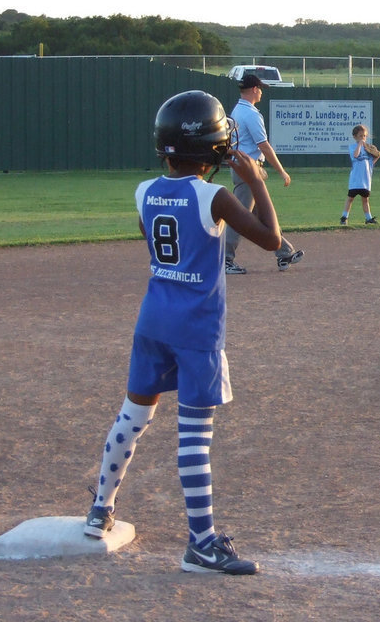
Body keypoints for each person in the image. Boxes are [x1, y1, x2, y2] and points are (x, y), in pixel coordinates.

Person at [84, 90, 282, 575]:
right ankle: (201, 543)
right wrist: (257, 182)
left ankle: (99, 510)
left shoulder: (144, 191)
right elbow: (272, 239)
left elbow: (153, 238)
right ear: (214, 147)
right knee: (194, 437)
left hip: (153, 321)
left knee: (132, 417)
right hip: (196, 330)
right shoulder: (213, 196)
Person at [224, 73, 304, 273]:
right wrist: (282, 171)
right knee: (238, 216)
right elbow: (264, 146)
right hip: (248, 170)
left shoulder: (238, 110)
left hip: (244, 167)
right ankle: (224, 259)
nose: (261, 92)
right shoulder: (250, 113)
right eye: (259, 88)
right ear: (254, 89)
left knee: (261, 217)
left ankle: (284, 252)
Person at [340, 124, 380, 225]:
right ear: (355, 137)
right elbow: (356, 155)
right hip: (355, 179)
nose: (363, 138)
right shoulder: (353, 147)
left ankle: (368, 218)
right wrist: (360, 145)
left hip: (365, 180)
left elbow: (372, 161)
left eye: (364, 136)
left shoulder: (367, 149)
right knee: (350, 199)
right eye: (360, 136)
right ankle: (344, 217)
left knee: (365, 200)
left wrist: (376, 154)